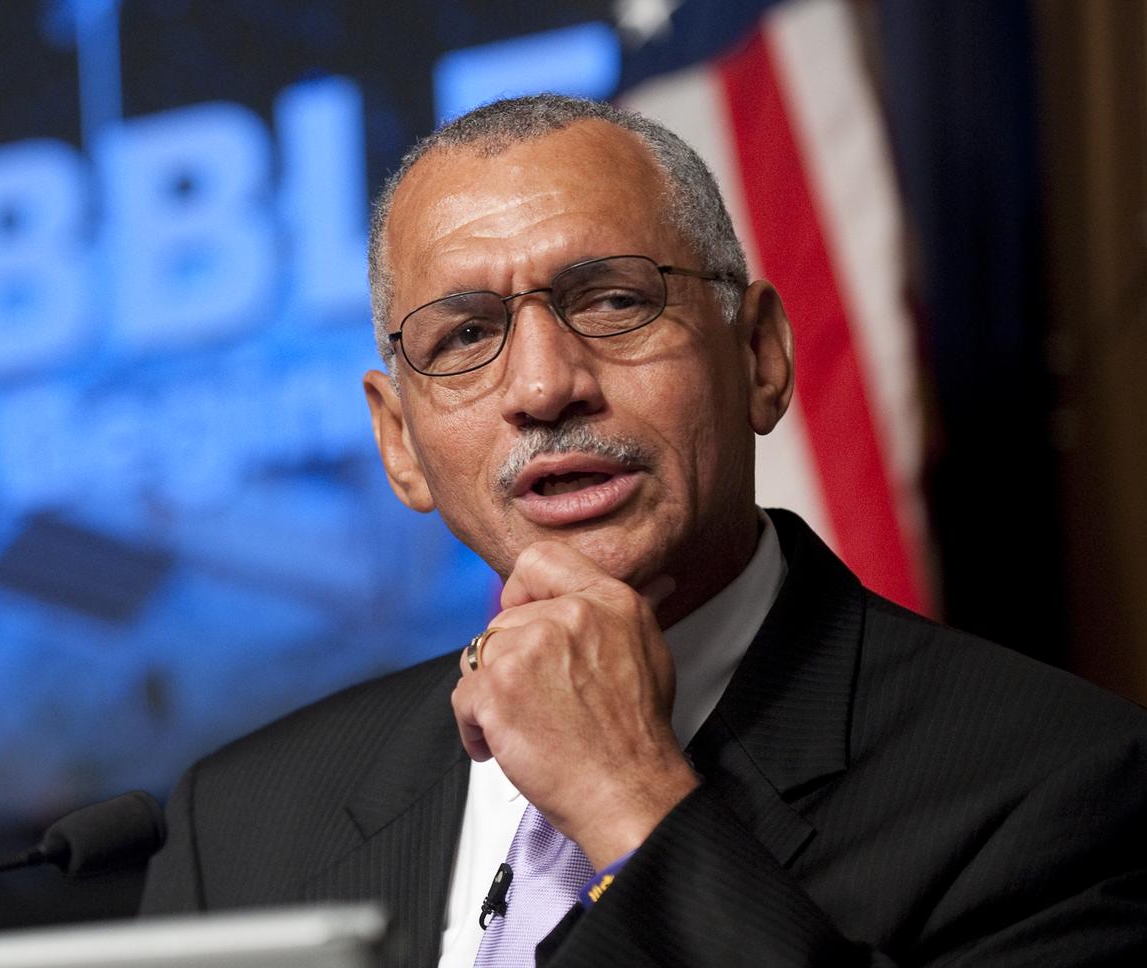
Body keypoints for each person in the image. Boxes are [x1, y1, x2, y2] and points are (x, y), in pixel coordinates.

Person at [140, 94, 1147, 966]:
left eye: (614, 301)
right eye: (464, 335)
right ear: (399, 443)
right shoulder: (236, 827)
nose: (541, 385)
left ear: (756, 356)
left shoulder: (1060, 786)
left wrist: (630, 799)